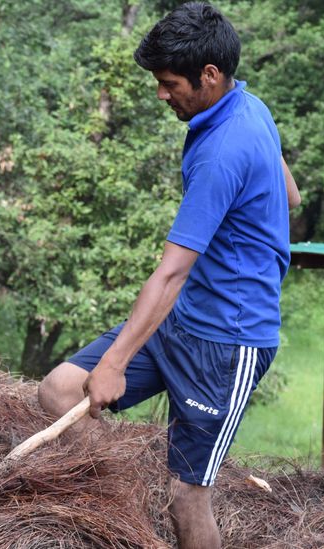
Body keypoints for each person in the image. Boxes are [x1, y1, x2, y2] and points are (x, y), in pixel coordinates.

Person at [37, 3, 300, 548]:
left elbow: (172, 270)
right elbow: (291, 195)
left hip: (226, 344)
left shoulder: (222, 153)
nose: (161, 95)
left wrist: (115, 363)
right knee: (61, 390)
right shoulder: (250, 106)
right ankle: (125, 513)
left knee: (187, 498)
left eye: (169, 83)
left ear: (210, 75)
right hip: (181, 322)